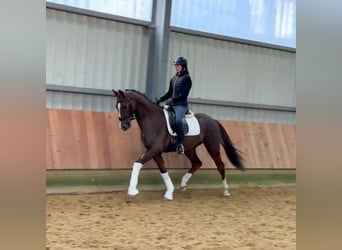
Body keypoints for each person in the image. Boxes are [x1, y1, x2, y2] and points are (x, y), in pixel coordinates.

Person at [157, 56, 192, 154]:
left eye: (178, 65)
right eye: (175, 65)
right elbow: (169, 92)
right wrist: (161, 99)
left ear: (183, 66)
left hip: (181, 106)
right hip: (172, 104)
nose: (176, 67)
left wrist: (172, 100)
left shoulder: (187, 79)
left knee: (177, 121)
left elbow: (184, 95)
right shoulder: (174, 78)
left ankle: (181, 144)